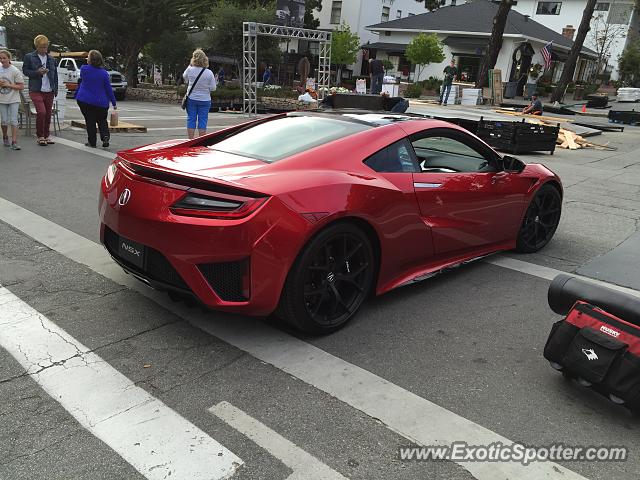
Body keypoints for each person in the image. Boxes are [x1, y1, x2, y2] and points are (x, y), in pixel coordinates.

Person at [75, 50, 117, 148]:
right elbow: (108, 89)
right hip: (101, 102)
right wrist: (114, 102)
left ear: (90, 60)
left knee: (90, 121)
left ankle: (92, 142)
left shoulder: (84, 69)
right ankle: (105, 136)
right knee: (102, 120)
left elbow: (82, 78)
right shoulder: (104, 74)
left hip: (85, 100)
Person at [22, 34, 58, 146]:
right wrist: (38, 72)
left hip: (49, 90)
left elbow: (55, 74)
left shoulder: (51, 59)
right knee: (41, 112)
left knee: (48, 114)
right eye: (41, 47)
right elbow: (25, 71)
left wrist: (55, 89)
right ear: (36, 47)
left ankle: (46, 136)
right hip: (36, 89)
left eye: (46, 47)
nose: (44, 49)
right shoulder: (29, 57)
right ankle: (40, 136)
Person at [183, 49, 216, 139]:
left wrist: (190, 64)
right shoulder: (209, 73)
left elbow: (184, 78)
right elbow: (213, 88)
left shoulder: (189, 70)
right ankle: (201, 140)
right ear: (204, 59)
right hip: (205, 99)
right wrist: (205, 87)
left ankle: (190, 139)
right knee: (203, 120)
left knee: (191, 118)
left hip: (191, 99)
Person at [0, 49, 24, 150]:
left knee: (14, 120)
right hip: (2, 99)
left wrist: (8, 85)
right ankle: (5, 136)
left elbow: (21, 86)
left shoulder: (14, 70)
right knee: (4, 121)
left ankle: (14, 141)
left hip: (14, 99)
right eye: (0, 58)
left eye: (4, 58)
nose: (2, 60)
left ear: (9, 58)